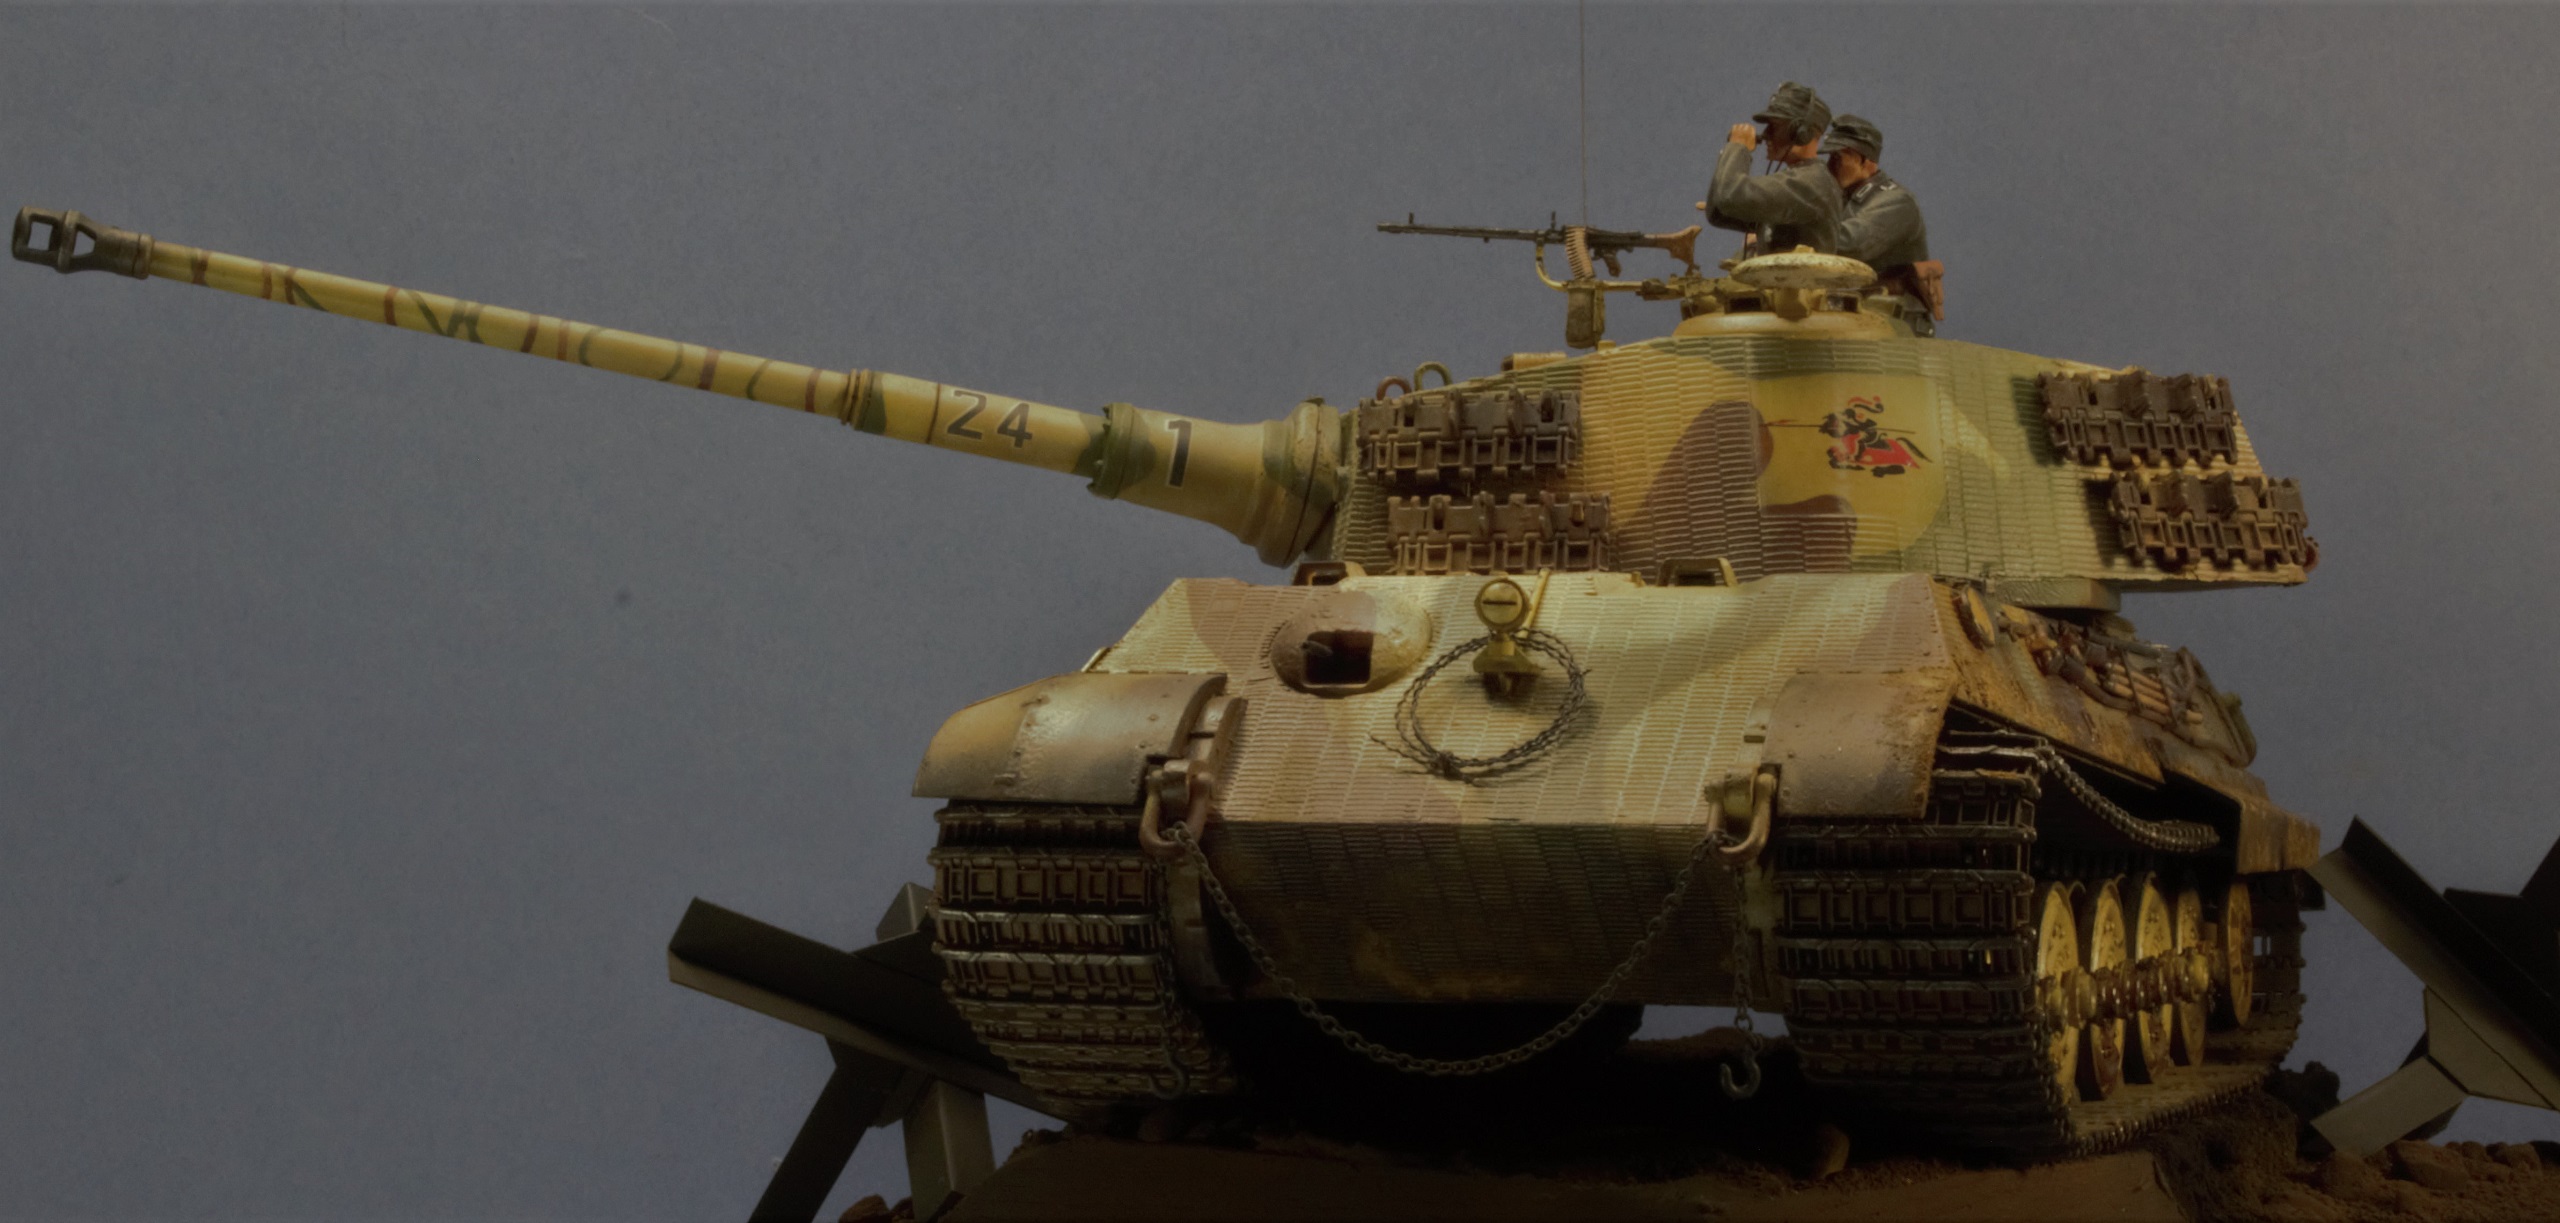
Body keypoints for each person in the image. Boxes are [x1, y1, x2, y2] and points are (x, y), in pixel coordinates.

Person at [1825, 114, 1943, 335]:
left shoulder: (1895, 202)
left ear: (1865, 161)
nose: (1830, 166)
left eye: (1839, 158)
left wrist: (1798, 234)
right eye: (1830, 157)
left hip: (1895, 327)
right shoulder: (1840, 199)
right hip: (1854, 322)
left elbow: (1851, 244)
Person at [1705, 82, 1841, 256]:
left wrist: (1738, 148)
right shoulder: (1797, 177)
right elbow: (1718, 212)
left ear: (1801, 133)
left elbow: (1730, 196)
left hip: (1801, 274)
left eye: (1775, 126)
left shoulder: (1814, 182)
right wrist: (1730, 152)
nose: (1766, 134)